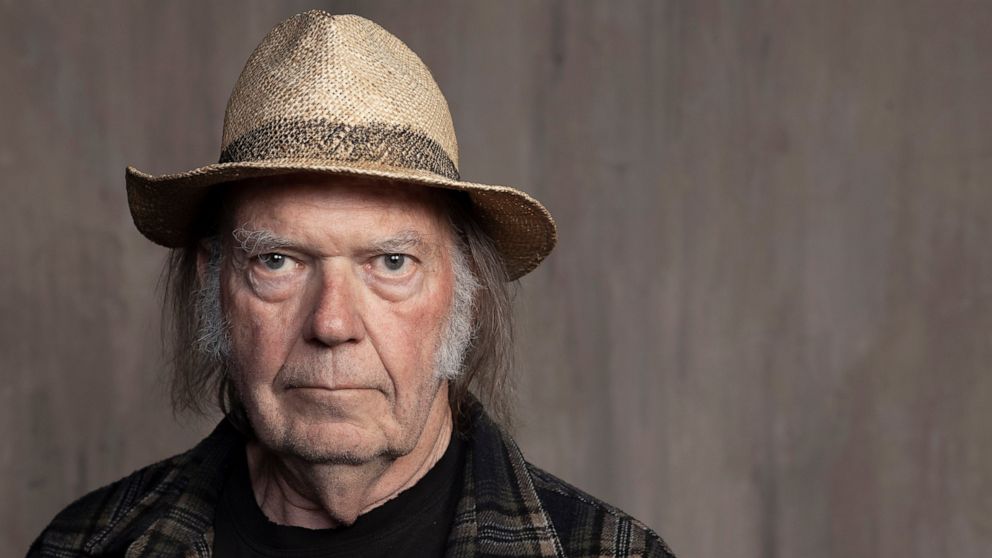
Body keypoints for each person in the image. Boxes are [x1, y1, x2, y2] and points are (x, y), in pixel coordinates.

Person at [30, 11, 675, 558]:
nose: (332, 324)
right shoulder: (84, 546)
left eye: (391, 262)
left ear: (465, 293)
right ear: (214, 286)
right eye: (277, 261)